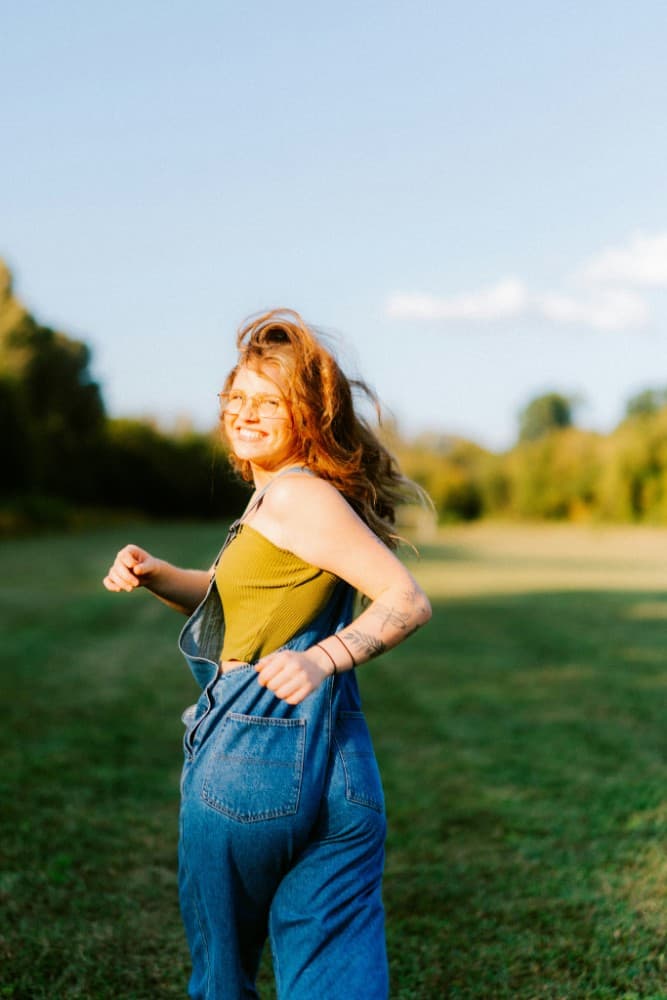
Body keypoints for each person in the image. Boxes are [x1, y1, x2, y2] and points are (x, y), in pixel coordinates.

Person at [103, 309, 432, 999]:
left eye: (268, 402)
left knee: (222, 976)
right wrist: (157, 573)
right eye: (237, 399)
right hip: (339, 764)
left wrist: (323, 658)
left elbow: (404, 600)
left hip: (253, 751)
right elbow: (237, 604)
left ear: (306, 415)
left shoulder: (292, 494)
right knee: (333, 971)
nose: (245, 414)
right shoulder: (293, 497)